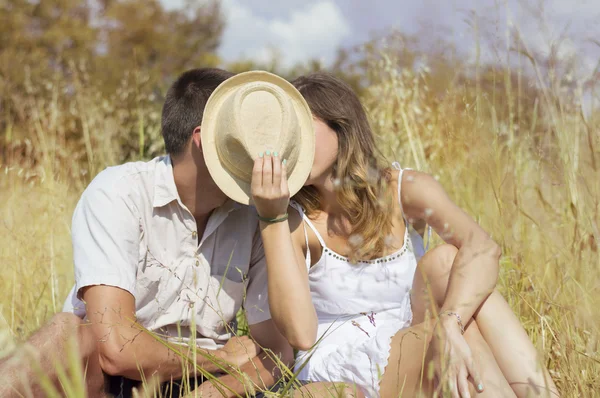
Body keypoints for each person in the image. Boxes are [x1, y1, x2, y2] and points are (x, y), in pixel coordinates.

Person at [249, 72, 560, 398]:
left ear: (341, 128)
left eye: (301, 128)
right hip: (342, 360)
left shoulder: (404, 189)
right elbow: (300, 335)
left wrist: (450, 322)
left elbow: (483, 248)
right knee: (456, 342)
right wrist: (272, 218)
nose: (290, 144)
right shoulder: (294, 219)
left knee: (446, 263)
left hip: (410, 328)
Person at [0, 68, 292, 398]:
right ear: (202, 140)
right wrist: (218, 358)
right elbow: (117, 348)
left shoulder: (258, 215)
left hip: (208, 384)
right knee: (65, 332)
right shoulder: (119, 192)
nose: (261, 157)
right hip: (108, 380)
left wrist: (212, 392)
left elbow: (274, 351)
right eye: (245, 139)